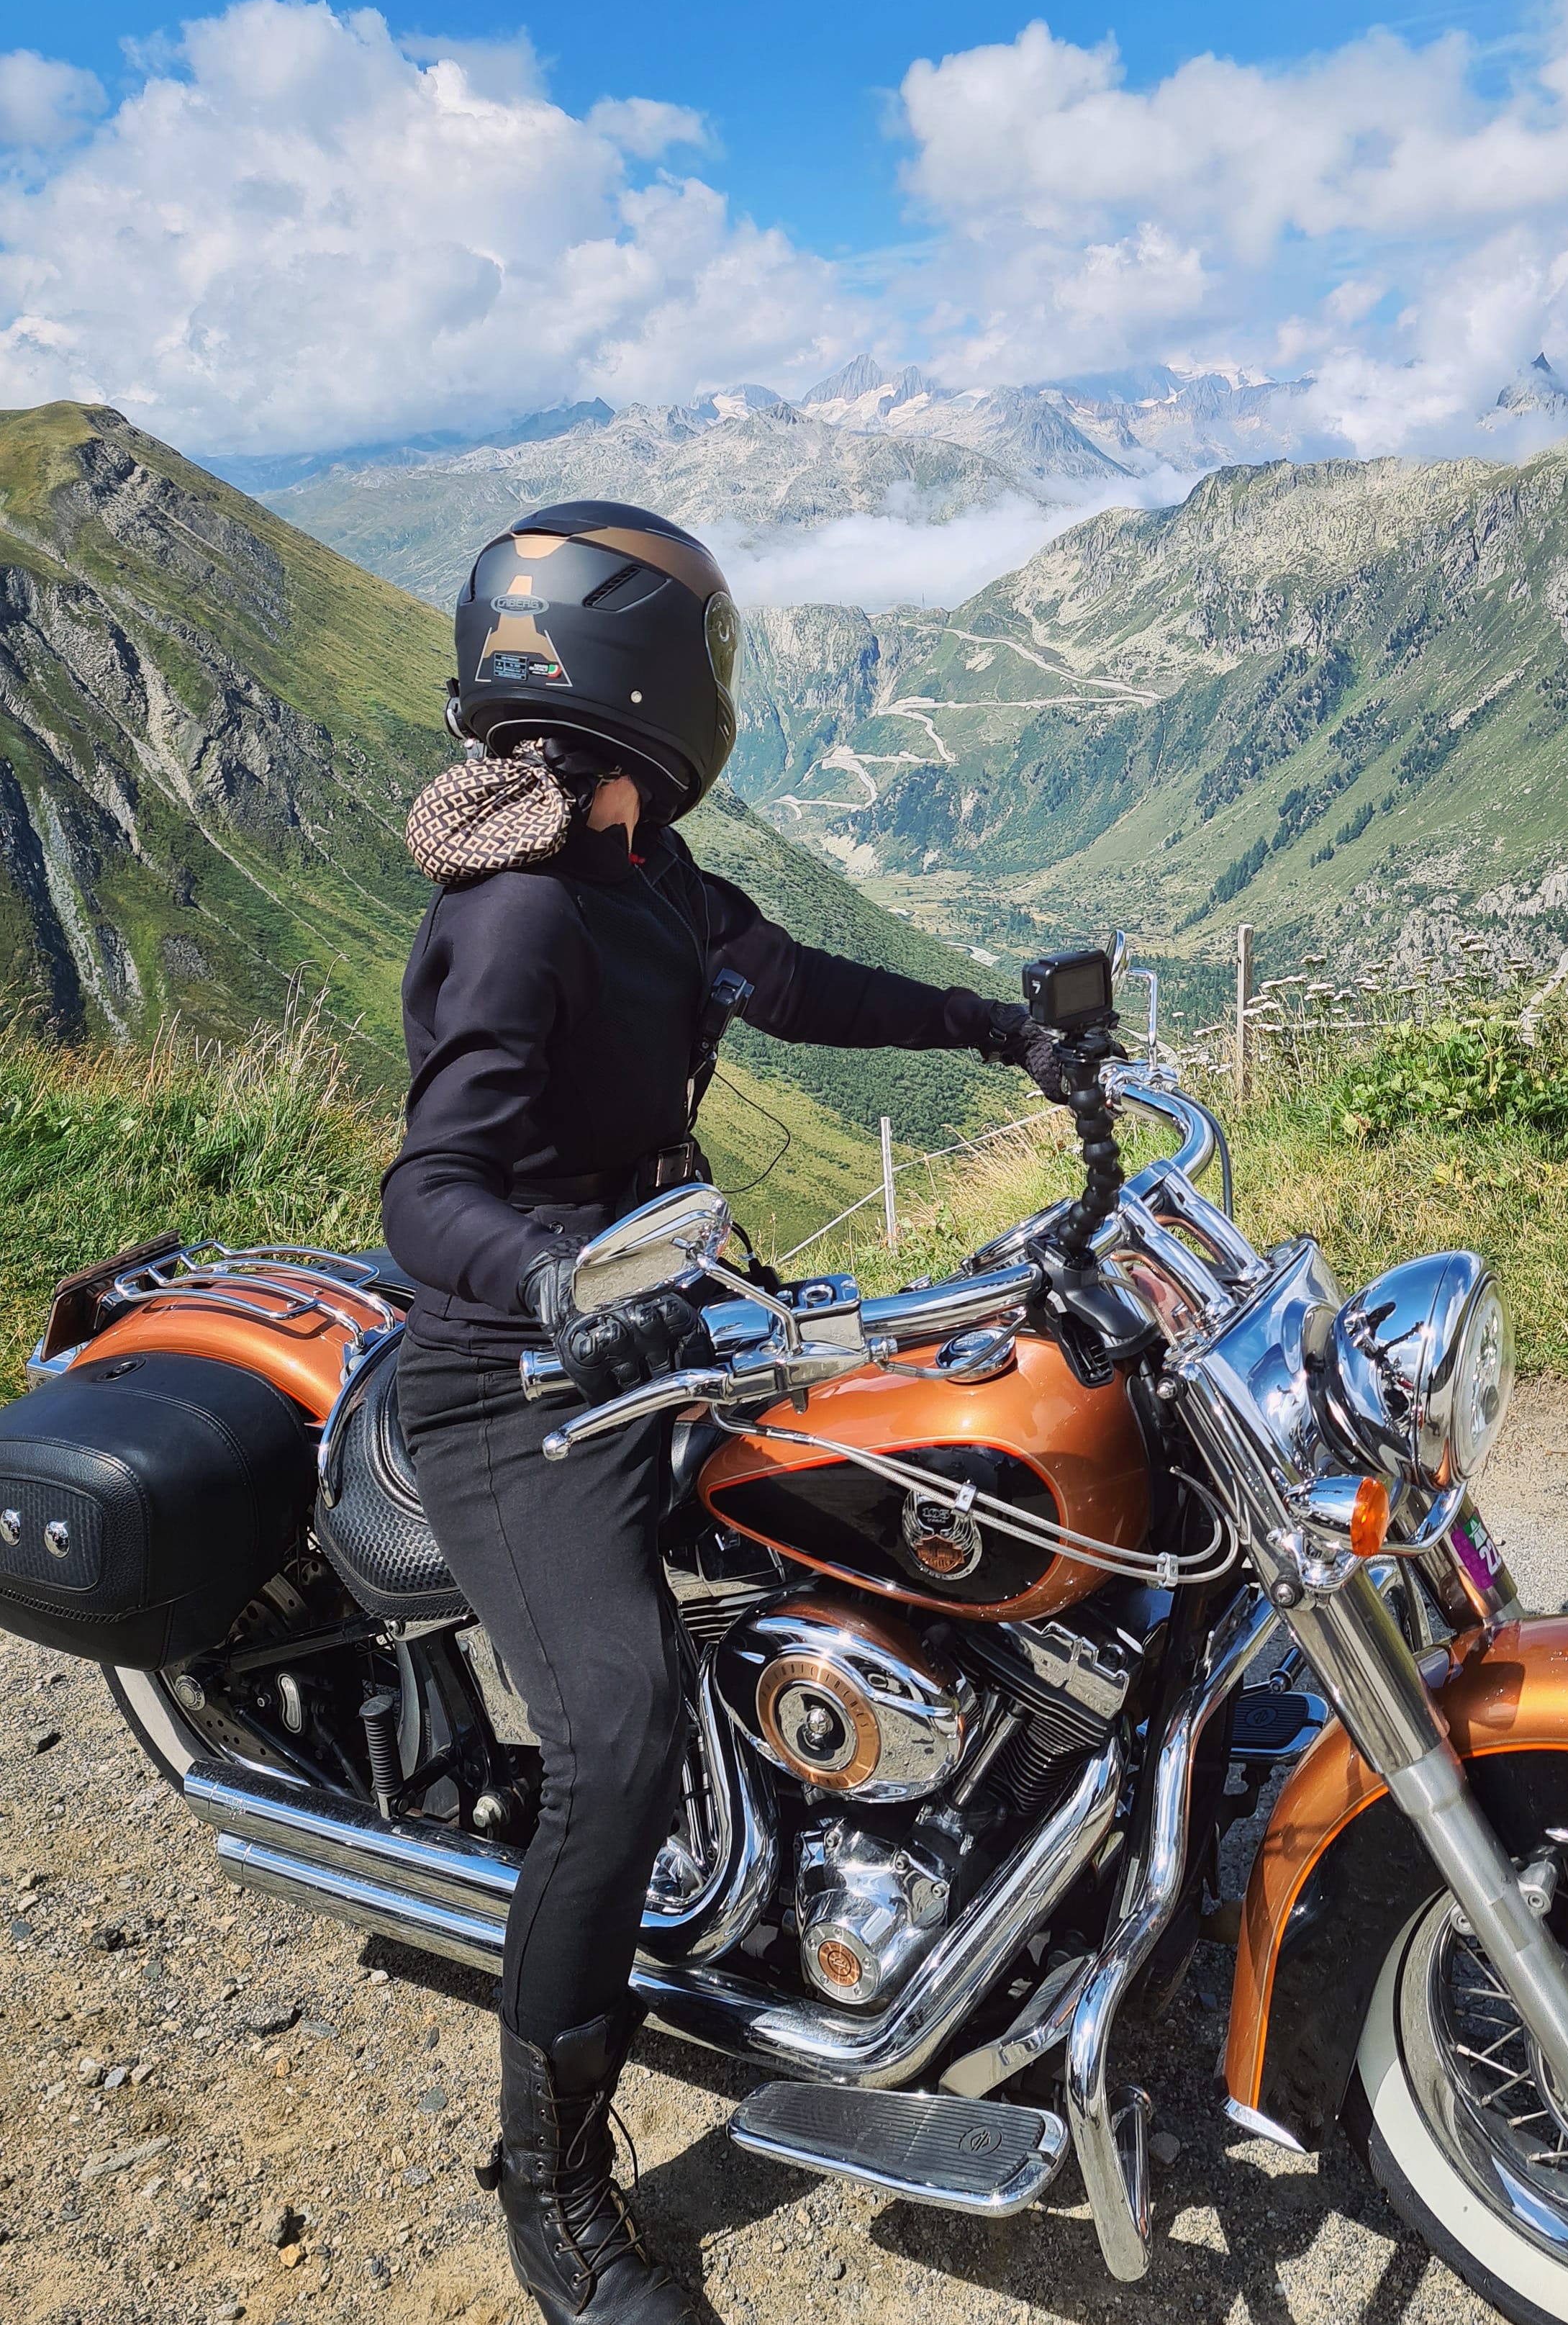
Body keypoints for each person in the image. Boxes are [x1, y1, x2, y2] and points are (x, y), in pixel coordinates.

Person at [380, 500, 1064, 2325]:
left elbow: (784, 980)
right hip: (514, 1382)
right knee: (613, 1733)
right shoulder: (523, 913)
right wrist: (551, 1283)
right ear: (661, 684)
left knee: (926, 1485)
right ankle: (557, 2184)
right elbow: (429, 1190)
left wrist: (1001, 1031)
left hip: (660, 1318)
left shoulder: (640, 876)